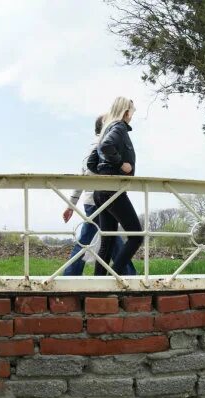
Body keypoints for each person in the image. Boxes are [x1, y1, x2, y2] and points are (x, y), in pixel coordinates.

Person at [63, 116, 136, 276]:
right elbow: (87, 175)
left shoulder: (92, 146)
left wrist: (71, 204)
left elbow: (81, 178)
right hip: (100, 198)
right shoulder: (100, 145)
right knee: (100, 239)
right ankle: (128, 275)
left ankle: (124, 274)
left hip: (93, 199)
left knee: (108, 239)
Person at [92, 97, 142, 276]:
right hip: (112, 190)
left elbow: (92, 162)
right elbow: (107, 146)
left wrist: (104, 170)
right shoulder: (119, 127)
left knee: (108, 240)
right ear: (126, 112)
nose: (132, 116)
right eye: (132, 112)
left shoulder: (106, 128)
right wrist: (121, 164)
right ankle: (114, 275)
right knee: (136, 236)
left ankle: (98, 284)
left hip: (100, 189)